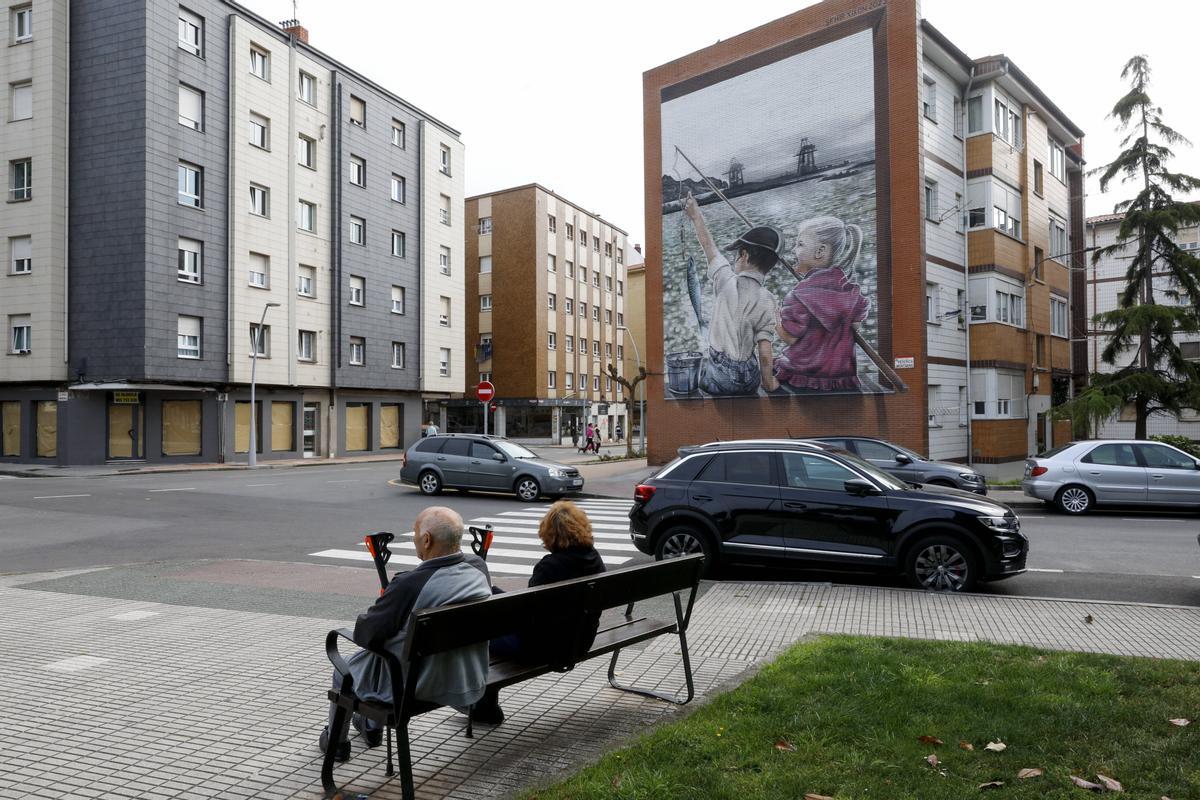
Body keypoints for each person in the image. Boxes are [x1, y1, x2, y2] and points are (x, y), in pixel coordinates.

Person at [319, 507, 492, 762]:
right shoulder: (478, 567)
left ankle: (338, 745)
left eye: (414, 533)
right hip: (465, 674)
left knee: (344, 670)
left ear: (427, 540)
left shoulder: (410, 584)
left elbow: (367, 635)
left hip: (414, 685)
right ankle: (368, 726)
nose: (414, 539)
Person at [481, 501, 607, 717]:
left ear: (550, 534)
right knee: (494, 602)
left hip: (543, 649)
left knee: (479, 634)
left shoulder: (549, 567)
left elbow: (526, 614)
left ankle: (485, 705)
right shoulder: (594, 558)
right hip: (581, 640)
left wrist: (495, 597)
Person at [682, 193, 782, 395]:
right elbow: (764, 350)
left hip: (722, 376)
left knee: (699, 378)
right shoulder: (769, 299)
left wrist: (695, 216)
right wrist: (769, 383)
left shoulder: (725, 279)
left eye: (737, 254)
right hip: (750, 377)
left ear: (743, 255)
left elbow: (708, 246)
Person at [773, 216, 870, 391]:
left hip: (803, 375)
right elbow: (855, 326)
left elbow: (790, 338)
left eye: (800, 244)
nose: (794, 249)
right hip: (841, 377)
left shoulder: (798, 296)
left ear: (820, 251)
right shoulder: (851, 290)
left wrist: (775, 317)